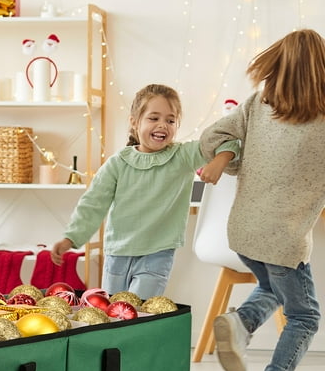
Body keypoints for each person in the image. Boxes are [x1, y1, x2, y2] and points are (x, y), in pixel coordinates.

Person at [201, 29, 325, 371]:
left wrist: (232, 160)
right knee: (305, 315)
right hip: (283, 238)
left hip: (243, 232)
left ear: (278, 66)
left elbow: (212, 137)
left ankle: (241, 321)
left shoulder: (258, 104)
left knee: (273, 285)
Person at [50, 83, 238, 299]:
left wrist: (220, 161)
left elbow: (229, 141)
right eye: (154, 118)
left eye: (170, 120)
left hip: (157, 254)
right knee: (112, 314)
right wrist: (71, 238)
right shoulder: (117, 163)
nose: (162, 125)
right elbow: (93, 204)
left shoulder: (183, 155)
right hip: (117, 254)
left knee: (138, 313)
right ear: (134, 121)